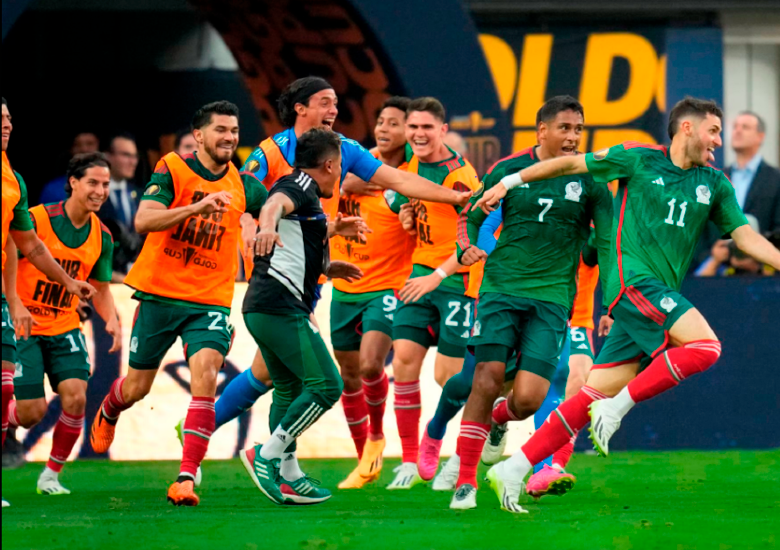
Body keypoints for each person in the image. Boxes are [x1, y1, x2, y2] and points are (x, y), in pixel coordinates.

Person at [476, 97, 780, 514]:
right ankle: (617, 411)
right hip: (631, 283)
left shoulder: (716, 183)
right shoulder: (636, 159)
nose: (719, 140)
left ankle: (512, 470)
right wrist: (508, 183)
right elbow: (568, 165)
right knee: (706, 347)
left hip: (651, 296)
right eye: (713, 130)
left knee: (586, 397)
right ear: (687, 129)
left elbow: (744, 238)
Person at [209, 77, 472, 489]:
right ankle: (236, 446)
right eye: (325, 102)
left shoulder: (342, 154)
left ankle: (284, 468)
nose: (335, 110)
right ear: (300, 108)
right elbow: (260, 200)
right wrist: (255, 225)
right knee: (318, 381)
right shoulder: (275, 158)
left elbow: (395, 183)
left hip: (306, 285)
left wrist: (331, 247)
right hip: (278, 289)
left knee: (285, 382)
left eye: (336, 103)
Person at [87, 101, 270, 507]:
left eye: (235, 131)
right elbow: (144, 220)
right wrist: (198, 206)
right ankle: (111, 408)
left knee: (206, 373)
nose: (229, 137)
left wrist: (328, 226)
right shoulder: (172, 167)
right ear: (200, 135)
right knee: (136, 387)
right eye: (221, 130)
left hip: (209, 300)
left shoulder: (245, 186)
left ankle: (186, 477)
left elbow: (283, 213)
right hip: (159, 294)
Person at [443, 96, 612, 510]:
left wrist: (611, 302)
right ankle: (466, 481)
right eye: (565, 128)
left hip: (553, 300)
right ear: (542, 131)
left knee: (529, 399)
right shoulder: (507, 171)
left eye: (578, 129)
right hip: (501, 289)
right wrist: (465, 247)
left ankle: (499, 420)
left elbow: (608, 244)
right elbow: (471, 216)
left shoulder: (592, 181)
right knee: (485, 377)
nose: (573, 137)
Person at [239, 128, 362, 505]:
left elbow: (300, 236)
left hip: (266, 307)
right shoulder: (301, 184)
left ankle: (289, 474)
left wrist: (327, 266)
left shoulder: (306, 192)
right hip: (278, 306)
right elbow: (275, 202)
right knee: (327, 386)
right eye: (339, 167)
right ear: (329, 164)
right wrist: (267, 226)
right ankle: (267, 454)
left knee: (290, 390)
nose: (340, 174)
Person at [4, 153, 120, 496]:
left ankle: (51, 475)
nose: (100, 191)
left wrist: (111, 318)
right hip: (24, 324)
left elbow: (100, 288)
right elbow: (11, 257)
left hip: (64, 326)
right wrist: (12, 303)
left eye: (106, 185)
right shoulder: (38, 219)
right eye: (93, 183)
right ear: (73, 183)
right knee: (30, 413)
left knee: (76, 398)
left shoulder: (103, 236)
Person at [1, 97, 96, 508]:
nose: (6, 124)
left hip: (32, 313)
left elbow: (25, 247)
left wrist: (70, 283)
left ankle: (51, 474)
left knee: (14, 395)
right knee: (18, 403)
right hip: (25, 318)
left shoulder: (13, 180)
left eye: (8, 118)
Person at [385, 97, 481, 490]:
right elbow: (395, 190)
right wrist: (403, 211)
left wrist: (437, 277)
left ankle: (450, 445)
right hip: (419, 272)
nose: (419, 135)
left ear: (442, 130)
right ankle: (409, 460)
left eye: (427, 128)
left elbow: (475, 243)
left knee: (449, 377)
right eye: (414, 128)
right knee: (404, 360)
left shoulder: (461, 178)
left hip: (457, 279)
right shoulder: (408, 161)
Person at [330, 96, 416, 489]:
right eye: (381, 121)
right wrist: (376, 181)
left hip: (387, 284)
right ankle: (364, 455)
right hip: (344, 284)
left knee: (369, 365)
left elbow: (413, 209)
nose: (384, 128)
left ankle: (378, 435)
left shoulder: (415, 172)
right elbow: (336, 182)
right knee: (349, 377)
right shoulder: (359, 158)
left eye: (394, 123)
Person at [726, 111, 780, 233]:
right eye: (735, 126)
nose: (737, 131)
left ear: (760, 136)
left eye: (745, 127)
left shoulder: (775, 179)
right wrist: (710, 251)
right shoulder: (719, 177)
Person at [100, 133, 142, 282]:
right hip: (100, 281)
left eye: (135, 156)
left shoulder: (141, 196)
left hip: (134, 282)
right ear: (107, 156)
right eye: (126, 155)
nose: (133, 162)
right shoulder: (92, 196)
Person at [39, 132, 101, 205]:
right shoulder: (53, 190)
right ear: (71, 150)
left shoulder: (111, 187)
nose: (84, 149)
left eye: (89, 144)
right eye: (78, 145)